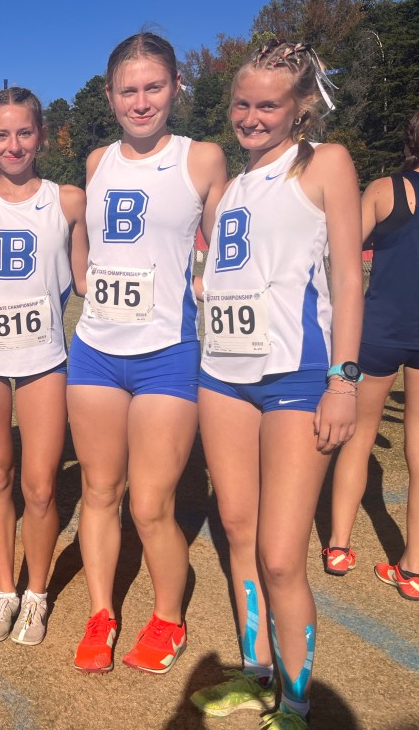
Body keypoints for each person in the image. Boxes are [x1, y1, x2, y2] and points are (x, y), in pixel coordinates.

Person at [191, 40, 363, 729]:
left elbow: (348, 278)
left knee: (282, 556)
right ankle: (256, 672)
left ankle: (295, 703)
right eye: (242, 103)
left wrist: (344, 380)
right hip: (222, 376)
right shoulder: (235, 182)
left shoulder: (326, 163)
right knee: (238, 531)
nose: (251, 116)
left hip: (296, 375)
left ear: (300, 108)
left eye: (268, 105)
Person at [68, 33, 228, 675]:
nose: (141, 102)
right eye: (128, 90)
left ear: (176, 87)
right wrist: (83, 280)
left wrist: (204, 285)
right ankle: (101, 612)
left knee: (150, 504)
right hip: (96, 352)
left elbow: (230, 248)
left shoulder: (203, 157)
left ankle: (167, 618)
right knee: (99, 491)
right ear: (110, 96)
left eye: (153, 87)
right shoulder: (96, 160)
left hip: (167, 352)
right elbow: (87, 245)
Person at [0, 87, 85, 646]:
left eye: (24, 132)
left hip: (44, 359)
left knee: (39, 486)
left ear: (42, 135)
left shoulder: (69, 200)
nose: (14, 145)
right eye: (2, 134)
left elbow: (85, 279)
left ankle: (36, 594)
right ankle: (5, 589)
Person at [327, 109, 419, 601]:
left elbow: (343, 248)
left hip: (380, 330)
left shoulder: (385, 189)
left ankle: (339, 546)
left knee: (359, 438)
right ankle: (413, 567)